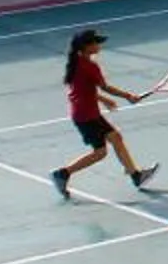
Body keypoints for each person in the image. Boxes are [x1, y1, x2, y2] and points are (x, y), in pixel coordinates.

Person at [52, 28, 157, 199]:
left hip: (84, 114)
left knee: (115, 137)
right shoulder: (90, 67)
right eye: (96, 42)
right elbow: (105, 87)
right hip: (88, 116)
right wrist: (129, 96)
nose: (100, 45)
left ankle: (136, 176)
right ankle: (63, 173)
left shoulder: (75, 63)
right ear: (87, 46)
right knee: (100, 153)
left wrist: (103, 100)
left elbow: (81, 90)